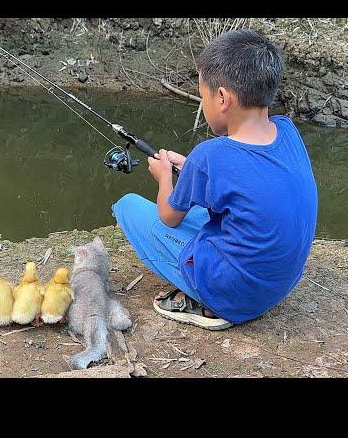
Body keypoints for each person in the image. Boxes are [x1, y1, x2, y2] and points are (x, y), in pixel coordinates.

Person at [112, 29, 318, 330]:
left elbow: (168, 216)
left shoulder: (210, 155)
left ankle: (206, 302)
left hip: (236, 296)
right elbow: (248, 182)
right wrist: (193, 171)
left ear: (222, 98)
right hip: (279, 284)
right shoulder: (286, 130)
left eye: (203, 95)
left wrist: (164, 177)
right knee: (205, 213)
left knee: (128, 206)